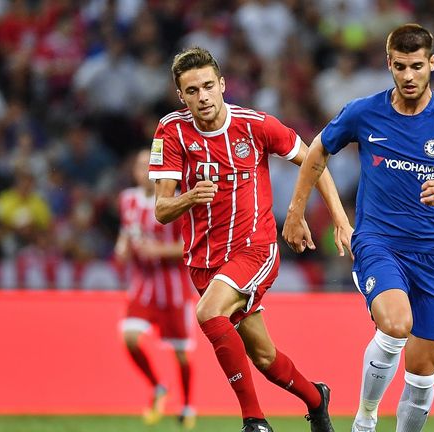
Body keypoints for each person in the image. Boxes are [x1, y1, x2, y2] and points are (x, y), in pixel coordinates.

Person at [283, 24, 434, 432]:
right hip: (379, 243)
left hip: (433, 252)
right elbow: (317, 150)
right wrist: (295, 211)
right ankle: (365, 417)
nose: (408, 76)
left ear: (432, 64)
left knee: (423, 373)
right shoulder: (364, 112)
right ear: (388, 64)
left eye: (416, 66)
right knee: (395, 325)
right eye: (400, 67)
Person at [148, 46, 352, 432]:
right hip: (203, 259)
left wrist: (324, 216)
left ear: (223, 85)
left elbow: (314, 160)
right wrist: (190, 197)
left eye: (209, 86)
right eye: (192, 90)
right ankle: (316, 398)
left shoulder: (255, 126)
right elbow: (161, 210)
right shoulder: (171, 130)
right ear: (181, 95)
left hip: (254, 248)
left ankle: (254, 421)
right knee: (262, 355)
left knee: (208, 314)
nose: (203, 96)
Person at [115, 149, 197, 429]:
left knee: (181, 354)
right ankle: (158, 387)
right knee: (129, 337)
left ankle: (187, 406)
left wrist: (159, 250)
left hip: (173, 287)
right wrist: (122, 248)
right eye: (137, 165)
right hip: (143, 285)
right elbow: (127, 233)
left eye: (146, 165)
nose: (142, 171)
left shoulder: (172, 204)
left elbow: (189, 245)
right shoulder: (127, 201)